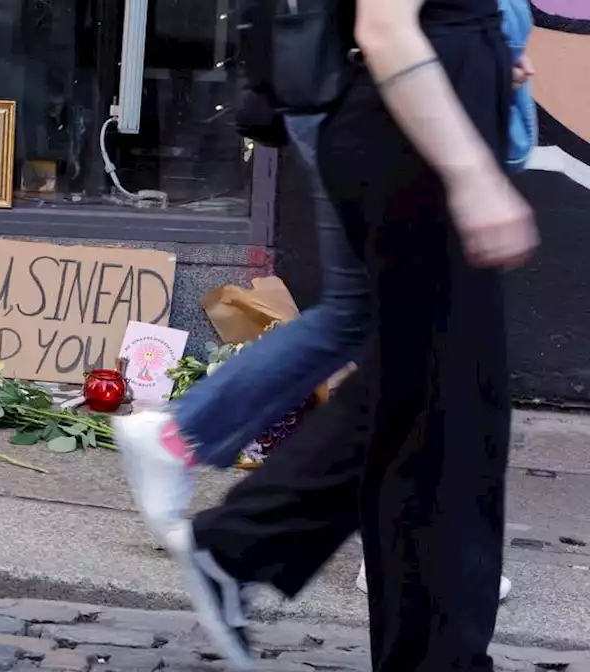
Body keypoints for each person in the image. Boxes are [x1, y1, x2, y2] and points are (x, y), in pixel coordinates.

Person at [117, 0, 539, 668]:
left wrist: (490, 53)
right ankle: (236, 539)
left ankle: (239, 543)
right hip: (411, 139)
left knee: (429, 412)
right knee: (442, 419)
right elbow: (385, 24)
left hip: (424, 117)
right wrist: (473, 176)